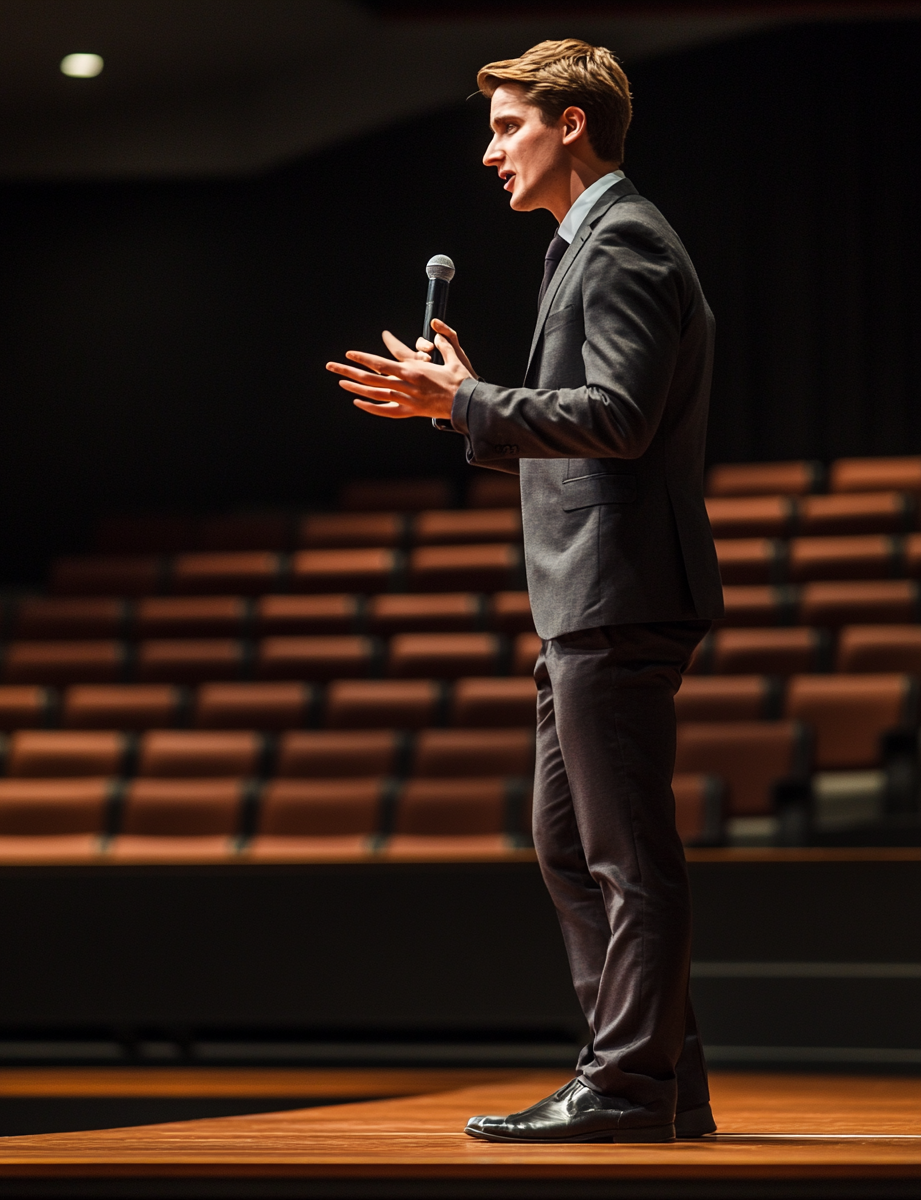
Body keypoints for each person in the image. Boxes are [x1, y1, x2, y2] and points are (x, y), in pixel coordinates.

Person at [326, 38, 723, 1145]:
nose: (490, 148)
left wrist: (467, 404)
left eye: (508, 125)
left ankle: (628, 1087)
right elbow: (590, 427)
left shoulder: (622, 241)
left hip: (618, 588)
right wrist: (457, 403)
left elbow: (621, 420)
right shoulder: (582, 244)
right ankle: (663, 1079)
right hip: (586, 596)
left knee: (624, 853)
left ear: (572, 125)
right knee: (571, 844)